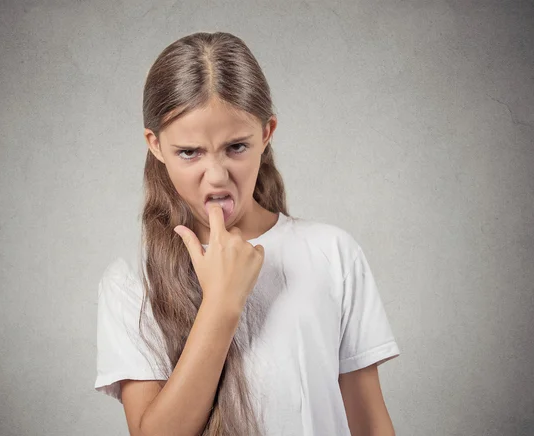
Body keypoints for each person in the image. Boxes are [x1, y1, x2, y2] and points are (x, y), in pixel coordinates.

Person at [94, 31, 401, 436]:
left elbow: (371, 424)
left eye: (236, 147)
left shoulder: (332, 252)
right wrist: (221, 304)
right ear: (155, 144)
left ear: (267, 133)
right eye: (190, 152)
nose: (217, 176)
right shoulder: (132, 282)